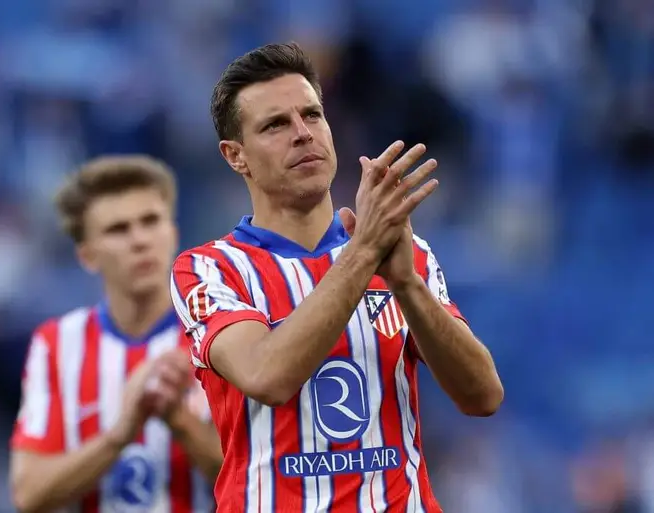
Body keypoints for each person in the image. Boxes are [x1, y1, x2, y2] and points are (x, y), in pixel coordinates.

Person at [169, 43, 504, 512]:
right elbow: (267, 376)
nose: (302, 134)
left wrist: (407, 285)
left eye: (312, 115)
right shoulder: (209, 269)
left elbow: (482, 396)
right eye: (275, 125)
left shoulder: (406, 254)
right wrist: (363, 254)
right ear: (235, 156)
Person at [10, 156, 222, 513]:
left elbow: (259, 481)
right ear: (87, 256)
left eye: (150, 221)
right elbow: (29, 494)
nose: (139, 240)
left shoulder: (216, 331)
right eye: (118, 230)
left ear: (173, 234)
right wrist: (118, 435)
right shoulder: (57, 344)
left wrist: (180, 420)